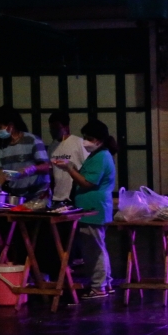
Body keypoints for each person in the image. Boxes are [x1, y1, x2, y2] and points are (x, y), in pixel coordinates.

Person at [55, 120, 117, 298]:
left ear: (99, 140)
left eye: (89, 138)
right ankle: (105, 283)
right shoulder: (97, 155)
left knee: (94, 249)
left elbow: (88, 182)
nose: (85, 142)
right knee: (96, 247)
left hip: (94, 209)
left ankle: (99, 286)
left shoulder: (101, 157)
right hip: (90, 208)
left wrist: (69, 169)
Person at [0, 106, 51, 200]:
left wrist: (31, 169)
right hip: (18, 197)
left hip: (38, 196)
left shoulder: (32, 140)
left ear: (10, 126)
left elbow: (47, 167)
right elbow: (1, 172)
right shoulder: (3, 146)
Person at [47, 111, 85, 206]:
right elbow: (51, 171)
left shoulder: (78, 143)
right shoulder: (52, 146)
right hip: (56, 197)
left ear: (66, 127)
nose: (53, 131)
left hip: (72, 196)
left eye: (56, 128)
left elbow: (86, 168)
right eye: (51, 128)